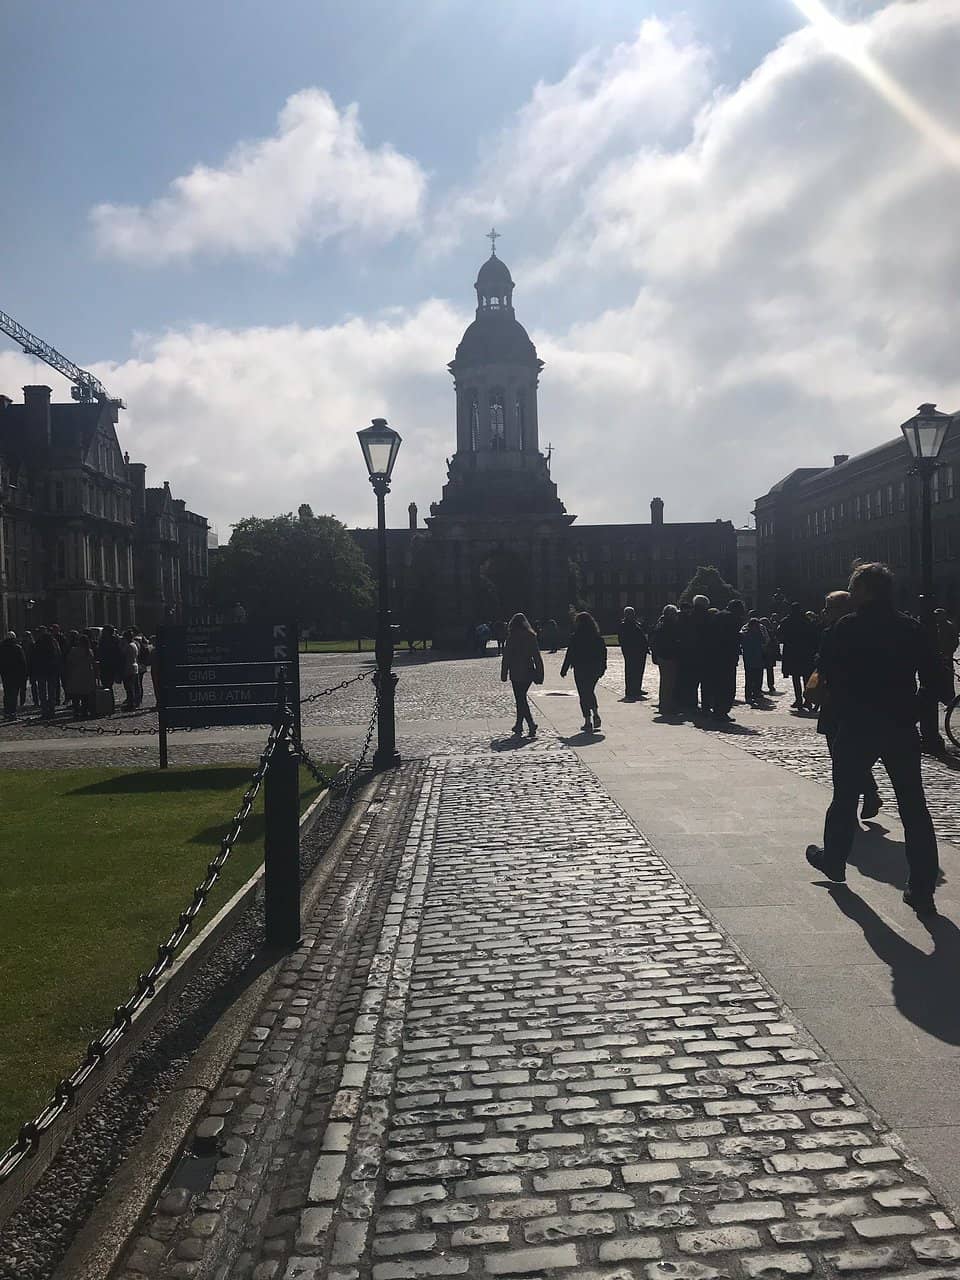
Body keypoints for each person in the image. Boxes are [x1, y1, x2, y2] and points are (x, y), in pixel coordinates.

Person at [805, 563, 940, 918]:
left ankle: (834, 861)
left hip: (857, 723)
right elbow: (935, 680)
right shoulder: (911, 627)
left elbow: (826, 672)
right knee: (914, 806)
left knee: (845, 797)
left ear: (865, 590)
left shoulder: (846, 628)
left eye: (854, 586)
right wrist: (917, 711)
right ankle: (923, 888)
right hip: (899, 724)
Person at [812, 589, 881, 822]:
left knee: (841, 755)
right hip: (861, 702)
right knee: (854, 754)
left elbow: (826, 663)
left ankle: (847, 810)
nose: (824, 612)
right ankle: (869, 794)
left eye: (828, 607)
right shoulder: (867, 628)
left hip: (838, 701)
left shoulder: (835, 631)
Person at [561, 611, 607, 732]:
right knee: (590, 691)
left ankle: (588, 720)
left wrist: (564, 669)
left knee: (583, 693)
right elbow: (603, 653)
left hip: (580, 668)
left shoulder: (576, 637)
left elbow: (570, 654)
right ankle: (596, 712)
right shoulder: (597, 637)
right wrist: (603, 668)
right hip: (594, 668)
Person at [500, 612, 544, 737]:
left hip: (516, 672)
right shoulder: (531, 636)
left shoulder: (512, 637)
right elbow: (537, 656)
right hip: (528, 671)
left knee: (520, 698)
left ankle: (530, 723)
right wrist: (540, 673)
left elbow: (506, 657)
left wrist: (504, 673)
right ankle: (519, 724)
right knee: (521, 697)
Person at [706, 598, 745, 719]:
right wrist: (740, 636)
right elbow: (732, 638)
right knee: (727, 686)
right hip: (727, 657)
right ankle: (722, 711)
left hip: (714, 655)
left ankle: (716, 708)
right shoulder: (733, 618)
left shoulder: (717, 616)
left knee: (717, 684)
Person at [779, 602, 819, 710]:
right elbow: (814, 635)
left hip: (792, 653)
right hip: (805, 652)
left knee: (796, 678)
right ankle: (807, 700)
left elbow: (779, 633)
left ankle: (798, 699)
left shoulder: (787, 620)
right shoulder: (806, 621)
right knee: (806, 677)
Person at [650, 605, 681, 715]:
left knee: (665, 682)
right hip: (669, 656)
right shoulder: (670, 625)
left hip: (662, 656)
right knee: (669, 682)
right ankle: (667, 705)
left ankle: (664, 703)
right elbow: (672, 641)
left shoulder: (659, 624)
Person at [618, 606, 648, 700]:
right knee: (631, 671)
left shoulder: (635, 623)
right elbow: (624, 639)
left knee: (639, 671)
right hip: (632, 651)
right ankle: (630, 690)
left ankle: (637, 688)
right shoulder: (625, 625)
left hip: (639, 651)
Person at [32, 626, 63, 718]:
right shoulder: (54, 642)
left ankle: (44, 710)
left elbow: (34, 657)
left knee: (42, 691)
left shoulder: (38, 643)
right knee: (51, 691)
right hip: (52, 670)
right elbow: (59, 654)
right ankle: (52, 710)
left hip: (41, 670)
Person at [65, 633, 98, 719]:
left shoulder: (74, 650)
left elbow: (69, 661)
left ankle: (76, 711)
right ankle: (84, 711)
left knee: (76, 694)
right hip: (87, 674)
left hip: (76, 674)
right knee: (85, 695)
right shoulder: (89, 651)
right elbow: (93, 662)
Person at [739, 616, 767, 707]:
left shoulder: (757, 634)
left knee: (756, 677)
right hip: (750, 658)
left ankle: (755, 693)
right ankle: (749, 696)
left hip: (757, 657)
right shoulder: (745, 634)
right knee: (749, 678)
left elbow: (764, 642)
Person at [0, 632, 27, 719]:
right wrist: (24, 674)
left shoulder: (1, 648)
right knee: (14, 694)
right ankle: (12, 712)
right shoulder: (17, 648)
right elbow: (23, 662)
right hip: (16, 674)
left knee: (7, 693)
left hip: (5, 674)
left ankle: (7, 711)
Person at [121, 628, 140, 710]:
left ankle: (131, 703)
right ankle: (134, 702)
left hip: (128, 668)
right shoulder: (134, 644)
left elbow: (123, 656)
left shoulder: (128, 646)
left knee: (129, 687)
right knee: (133, 686)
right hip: (134, 666)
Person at [760, 616, 779, 694]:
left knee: (761, 670)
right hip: (769, 653)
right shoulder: (771, 632)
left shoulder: (763, 631)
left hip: (764, 653)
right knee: (769, 670)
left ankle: (760, 686)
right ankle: (771, 685)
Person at [21, 629, 37, 707]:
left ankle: (36, 700)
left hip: (32, 667)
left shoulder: (33, 645)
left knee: (33, 685)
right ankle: (22, 701)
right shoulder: (22, 645)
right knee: (22, 685)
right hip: (24, 667)